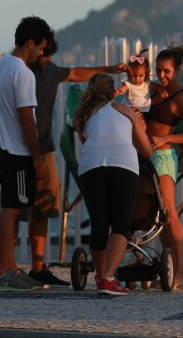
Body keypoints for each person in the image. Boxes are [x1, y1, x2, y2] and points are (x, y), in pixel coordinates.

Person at [0, 38, 132, 288]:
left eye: (49, 55)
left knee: (43, 208)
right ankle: (8, 269)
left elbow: (77, 72)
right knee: (16, 210)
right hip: (22, 150)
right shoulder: (15, 72)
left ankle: (38, 268)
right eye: (44, 54)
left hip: (43, 149)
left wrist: (109, 69)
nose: (47, 59)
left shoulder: (49, 71)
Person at [0, 16, 53, 292]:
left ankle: (10, 269)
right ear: (30, 43)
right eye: (41, 48)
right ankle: (1, 274)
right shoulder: (22, 73)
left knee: (12, 208)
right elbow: (26, 118)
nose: (41, 54)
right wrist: (36, 157)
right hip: (19, 154)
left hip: (5, 150)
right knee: (11, 212)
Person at [74, 74, 152, 296]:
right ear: (112, 92)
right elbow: (147, 151)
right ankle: (108, 278)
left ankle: (101, 278)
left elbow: (88, 141)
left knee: (99, 223)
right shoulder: (126, 111)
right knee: (120, 226)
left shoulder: (83, 116)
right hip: (122, 167)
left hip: (90, 168)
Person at [145, 42, 183, 289]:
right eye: (158, 70)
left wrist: (167, 138)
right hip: (146, 156)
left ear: (177, 69)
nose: (162, 75)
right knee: (157, 217)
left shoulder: (182, 99)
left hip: (164, 157)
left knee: (170, 215)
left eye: (166, 71)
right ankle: (167, 271)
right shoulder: (157, 91)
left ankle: (181, 272)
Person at [115, 49, 168, 116]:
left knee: (143, 125)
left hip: (143, 108)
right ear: (128, 74)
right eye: (134, 75)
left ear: (146, 74)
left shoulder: (146, 82)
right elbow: (123, 88)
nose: (137, 78)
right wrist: (119, 91)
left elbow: (157, 87)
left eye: (140, 76)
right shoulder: (128, 83)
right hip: (129, 109)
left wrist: (163, 91)